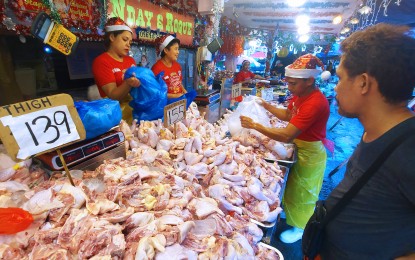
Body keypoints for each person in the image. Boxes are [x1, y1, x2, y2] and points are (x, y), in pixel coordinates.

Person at [319, 23, 415, 259]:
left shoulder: (409, 149)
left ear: (363, 83)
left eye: (340, 78)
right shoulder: (376, 131)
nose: (336, 89)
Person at [240, 53, 331, 244]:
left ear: (309, 80)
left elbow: (287, 134)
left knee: (304, 191)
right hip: (299, 145)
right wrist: (265, 105)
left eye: (293, 84)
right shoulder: (300, 95)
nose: (289, 87)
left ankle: (301, 228)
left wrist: (255, 126)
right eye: (287, 83)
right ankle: (290, 217)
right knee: (291, 188)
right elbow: (288, 114)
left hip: (310, 151)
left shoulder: (315, 102)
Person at [92, 17, 140, 124]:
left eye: (130, 42)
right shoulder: (101, 61)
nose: (128, 44)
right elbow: (112, 95)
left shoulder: (130, 60)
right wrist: (128, 83)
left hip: (136, 111)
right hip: (117, 116)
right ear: (112, 37)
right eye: (124, 39)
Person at [151, 35, 196, 106]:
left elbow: (179, 83)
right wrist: (175, 96)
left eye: (178, 49)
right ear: (166, 50)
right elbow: (155, 93)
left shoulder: (177, 66)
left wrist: (185, 92)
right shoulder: (156, 68)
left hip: (180, 104)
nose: (178, 52)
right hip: (165, 107)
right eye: (175, 49)